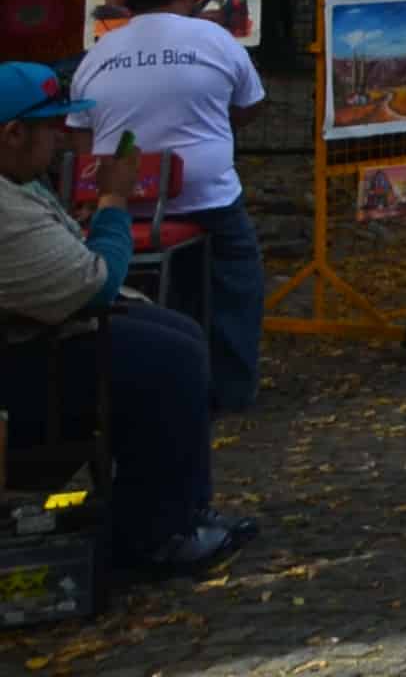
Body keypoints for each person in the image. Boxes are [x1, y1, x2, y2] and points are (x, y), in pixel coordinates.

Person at [0, 64, 249, 574]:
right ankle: (157, 535)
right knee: (167, 357)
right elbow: (95, 282)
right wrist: (113, 202)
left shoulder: (19, 182)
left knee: (175, 334)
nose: (62, 141)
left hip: (31, 340)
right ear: (13, 133)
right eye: (50, 129)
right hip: (20, 368)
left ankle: (179, 512)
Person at [71, 0, 268, 412]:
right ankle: (231, 387)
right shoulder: (216, 39)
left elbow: (81, 136)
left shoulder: (99, 53)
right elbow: (249, 106)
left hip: (118, 206)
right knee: (239, 278)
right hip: (206, 201)